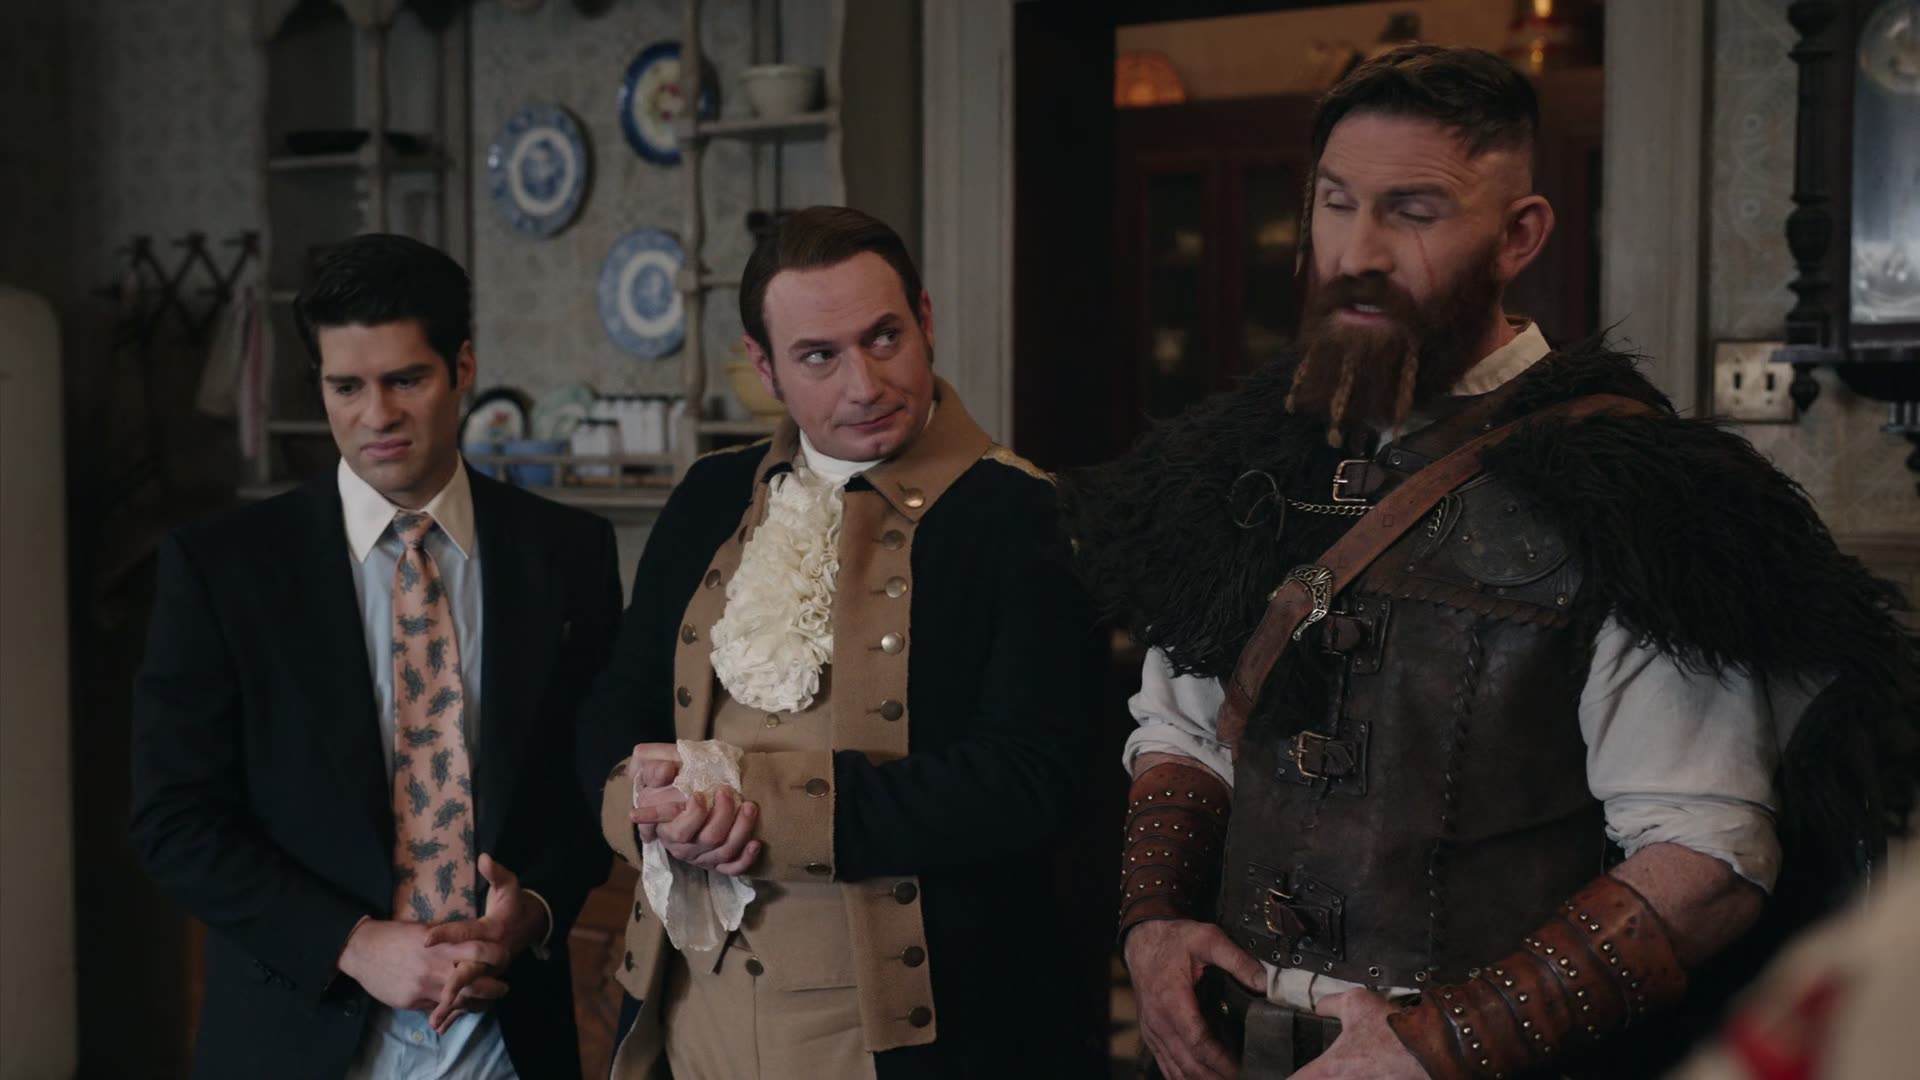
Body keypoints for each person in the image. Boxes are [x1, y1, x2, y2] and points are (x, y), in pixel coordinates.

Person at [1059, 45, 1920, 1080]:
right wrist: (1153, 923)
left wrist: (1438, 1044)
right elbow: (1183, 731)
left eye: (1414, 211)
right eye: (1336, 203)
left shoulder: (1635, 497)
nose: (1358, 251)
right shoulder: (1240, 458)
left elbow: (1707, 858)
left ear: (1520, 235)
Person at [575, 205, 1105, 1079]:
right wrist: (647, 802)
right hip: (691, 1017)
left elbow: (1031, 782)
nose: (865, 384)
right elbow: (618, 700)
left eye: (884, 337)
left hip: (907, 1037)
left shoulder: (1030, 514)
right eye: (819, 356)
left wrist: (756, 807)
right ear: (765, 367)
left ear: (925, 321)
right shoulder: (709, 494)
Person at [129, 233, 621, 1079]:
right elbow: (173, 821)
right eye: (346, 387)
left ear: (462, 367)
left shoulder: (567, 553)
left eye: (406, 380)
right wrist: (352, 944)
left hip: (505, 1039)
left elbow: (593, 782)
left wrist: (536, 908)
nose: (376, 415)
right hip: (298, 1035)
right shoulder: (222, 569)